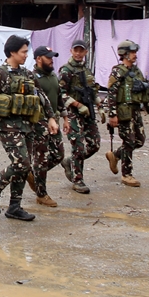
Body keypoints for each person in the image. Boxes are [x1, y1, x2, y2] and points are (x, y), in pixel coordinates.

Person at [0, 35, 58, 221]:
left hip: (27, 126)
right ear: (12, 52)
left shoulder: (27, 74)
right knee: (21, 163)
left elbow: (41, 97)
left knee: (25, 168)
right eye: (23, 52)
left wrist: (51, 118)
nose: (26, 55)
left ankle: (14, 206)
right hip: (8, 127)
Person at [105, 40, 149, 187]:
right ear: (125, 54)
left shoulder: (136, 72)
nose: (135, 55)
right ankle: (126, 174)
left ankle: (115, 156)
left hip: (135, 111)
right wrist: (113, 114)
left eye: (135, 52)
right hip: (123, 112)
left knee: (139, 140)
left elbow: (143, 91)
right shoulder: (118, 71)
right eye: (132, 52)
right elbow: (111, 94)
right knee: (129, 141)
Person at [59, 38, 102, 194]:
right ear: (71, 51)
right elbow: (61, 94)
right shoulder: (66, 70)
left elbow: (92, 90)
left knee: (95, 144)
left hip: (88, 112)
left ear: (86, 52)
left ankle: (70, 162)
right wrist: (77, 105)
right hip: (73, 113)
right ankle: (78, 180)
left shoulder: (87, 69)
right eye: (75, 50)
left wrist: (99, 105)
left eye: (81, 50)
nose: (78, 53)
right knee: (78, 146)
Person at [27, 45, 67, 208]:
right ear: (38, 59)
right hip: (38, 123)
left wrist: (65, 117)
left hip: (53, 121)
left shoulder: (53, 76)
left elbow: (59, 97)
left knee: (58, 155)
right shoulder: (32, 78)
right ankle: (41, 194)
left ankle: (34, 174)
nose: (51, 60)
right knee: (41, 158)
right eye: (48, 57)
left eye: (52, 57)